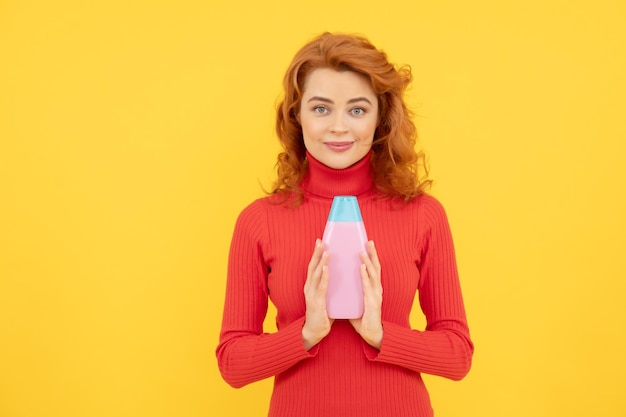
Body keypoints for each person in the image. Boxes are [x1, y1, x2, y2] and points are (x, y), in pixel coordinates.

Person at [216, 32, 473, 417]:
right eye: (321, 109)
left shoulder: (423, 214)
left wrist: (381, 334)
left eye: (357, 110)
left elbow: (458, 355)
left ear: (380, 118)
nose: (339, 127)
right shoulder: (259, 221)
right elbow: (232, 362)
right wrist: (305, 333)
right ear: (296, 116)